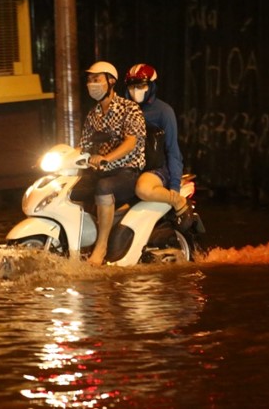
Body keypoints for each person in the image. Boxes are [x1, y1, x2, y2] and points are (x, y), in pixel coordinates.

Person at [78, 61, 147, 266]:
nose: (92, 84)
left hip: (127, 172)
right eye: (89, 80)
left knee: (103, 187)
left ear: (111, 81)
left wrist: (107, 158)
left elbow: (130, 142)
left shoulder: (129, 108)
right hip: (101, 171)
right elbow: (83, 145)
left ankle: (102, 246)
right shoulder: (93, 114)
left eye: (97, 79)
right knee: (73, 190)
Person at [125, 63, 195, 231]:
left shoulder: (164, 111)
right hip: (130, 168)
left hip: (156, 168)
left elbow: (172, 150)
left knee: (143, 189)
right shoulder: (124, 110)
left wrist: (174, 188)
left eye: (141, 85)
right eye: (132, 86)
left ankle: (178, 202)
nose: (136, 90)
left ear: (152, 86)